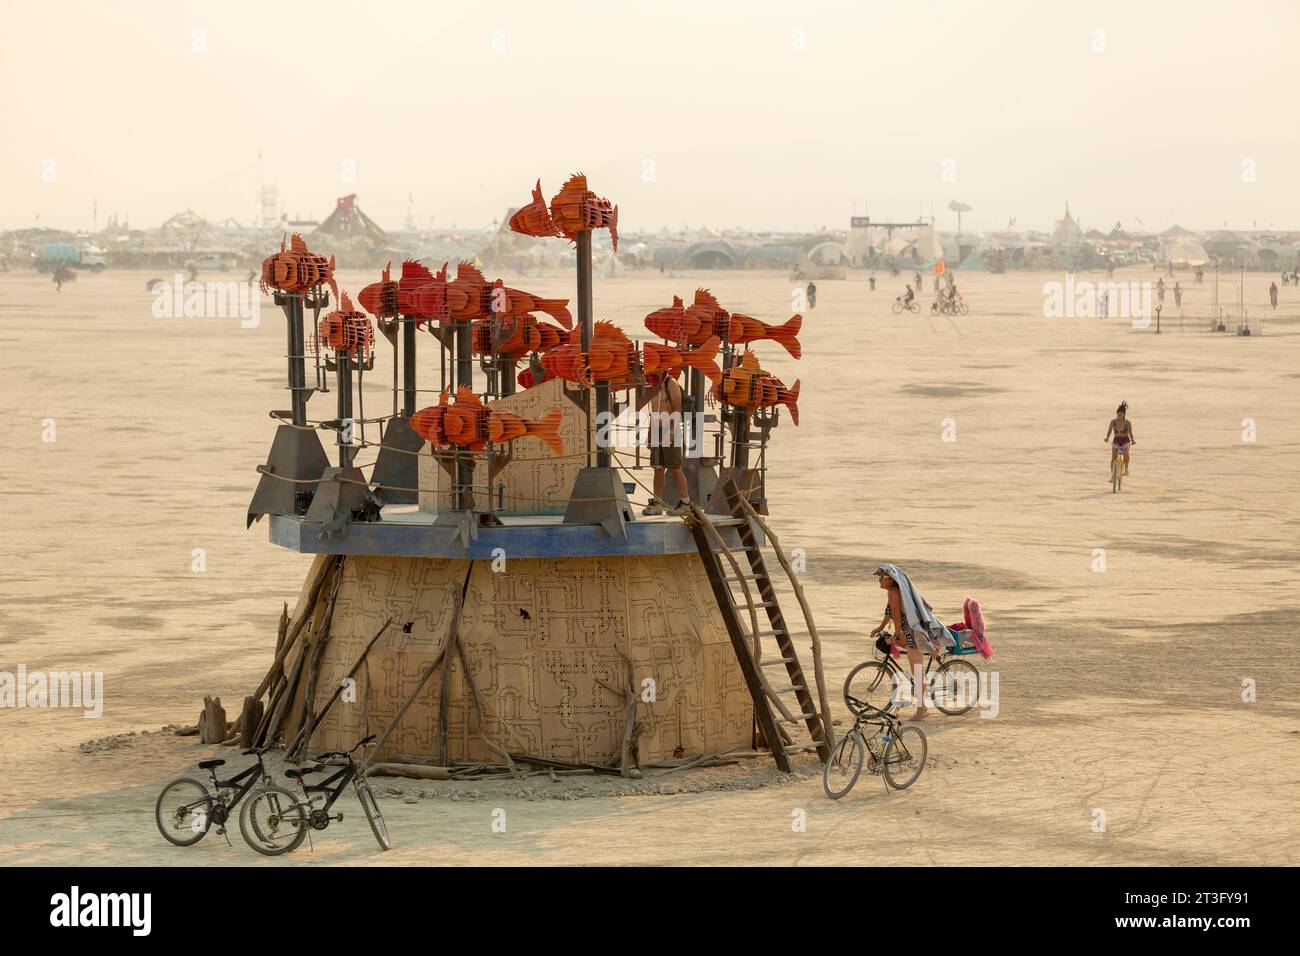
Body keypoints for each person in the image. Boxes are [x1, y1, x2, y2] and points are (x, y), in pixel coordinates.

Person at [869, 565, 954, 721]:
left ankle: (923, 709)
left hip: (912, 634)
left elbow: (897, 616)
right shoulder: (894, 592)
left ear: (891, 580)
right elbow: (889, 612)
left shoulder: (894, 593)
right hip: (908, 632)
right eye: (879, 578)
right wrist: (880, 627)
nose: (879, 581)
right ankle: (930, 650)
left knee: (918, 672)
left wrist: (895, 634)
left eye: (882, 577)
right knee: (916, 669)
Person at [642, 370, 690, 515]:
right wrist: (650, 433)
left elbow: (677, 409)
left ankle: (685, 503)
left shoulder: (671, 383)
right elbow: (654, 412)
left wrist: (670, 431)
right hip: (657, 430)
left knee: (675, 467)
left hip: (670, 430)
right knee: (658, 468)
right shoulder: (653, 385)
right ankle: (657, 503)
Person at [1105, 401, 1136, 479]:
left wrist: (1132, 440)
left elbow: (1130, 433)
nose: (1119, 414)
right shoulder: (1113, 422)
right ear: (1116, 413)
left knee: (1126, 453)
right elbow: (1109, 431)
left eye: (1121, 413)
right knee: (1113, 457)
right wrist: (1107, 438)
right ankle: (1112, 475)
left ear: (1124, 414)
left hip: (1125, 440)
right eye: (1118, 412)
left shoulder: (1127, 422)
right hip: (1116, 440)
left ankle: (1126, 469)